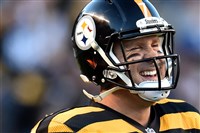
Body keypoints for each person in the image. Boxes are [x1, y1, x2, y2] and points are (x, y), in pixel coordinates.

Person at [31, 0, 200, 132]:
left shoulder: (187, 117)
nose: (154, 56)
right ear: (100, 59)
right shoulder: (69, 128)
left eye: (156, 45)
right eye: (136, 48)